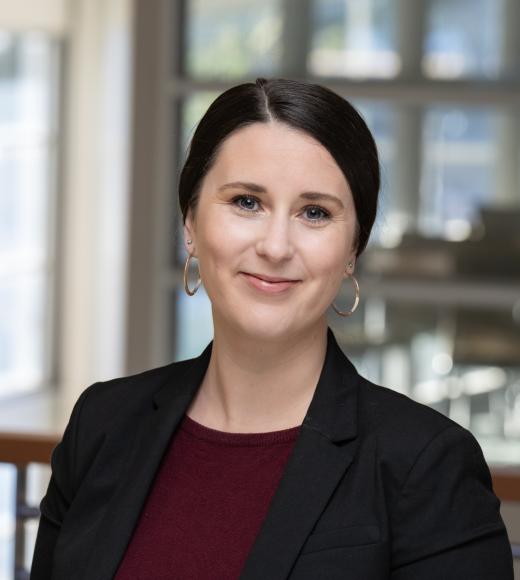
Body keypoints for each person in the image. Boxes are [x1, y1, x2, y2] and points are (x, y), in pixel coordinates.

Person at [30, 78, 514, 580]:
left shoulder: (425, 464)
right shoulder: (103, 423)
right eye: (246, 202)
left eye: (314, 212)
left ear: (353, 250)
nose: (276, 246)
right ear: (190, 223)